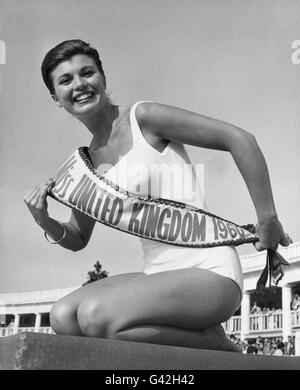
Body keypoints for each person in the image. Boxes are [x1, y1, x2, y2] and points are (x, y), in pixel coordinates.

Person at [24, 39, 291, 352]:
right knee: (63, 317)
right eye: (66, 80)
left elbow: (241, 140)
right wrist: (43, 219)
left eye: (87, 73)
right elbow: (77, 238)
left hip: (209, 271)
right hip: (158, 277)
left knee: (97, 318)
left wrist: (268, 219)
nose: (80, 84)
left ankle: (217, 343)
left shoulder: (144, 118)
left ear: (103, 78)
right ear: (56, 97)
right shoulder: (85, 164)